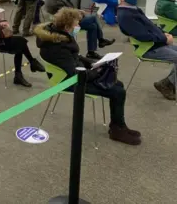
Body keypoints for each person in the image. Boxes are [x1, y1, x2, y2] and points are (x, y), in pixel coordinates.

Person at [35, 7, 141, 145]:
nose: (78, 26)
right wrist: (98, 71)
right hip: (67, 81)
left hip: (71, 75)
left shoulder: (58, 37)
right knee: (117, 91)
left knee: (118, 85)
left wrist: (95, 63)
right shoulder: (57, 47)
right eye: (76, 24)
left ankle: (119, 125)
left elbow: (75, 57)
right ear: (67, 26)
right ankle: (117, 129)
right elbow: (75, 73)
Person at [117, 0, 177, 101]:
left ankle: (167, 83)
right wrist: (164, 39)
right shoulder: (125, 16)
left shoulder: (132, 10)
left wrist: (164, 34)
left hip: (155, 44)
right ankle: (167, 84)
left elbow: (151, 27)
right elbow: (143, 36)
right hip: (148, 48)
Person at [45, 0, 115, 59]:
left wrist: (77, 10)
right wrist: (78, 13)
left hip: (71, 20)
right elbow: (65, 13)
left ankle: (91, 52)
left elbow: (68, 9)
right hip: (67, 25)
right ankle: (101, 40)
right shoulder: (53, 0)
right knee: (93, 18)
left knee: (93, 26)